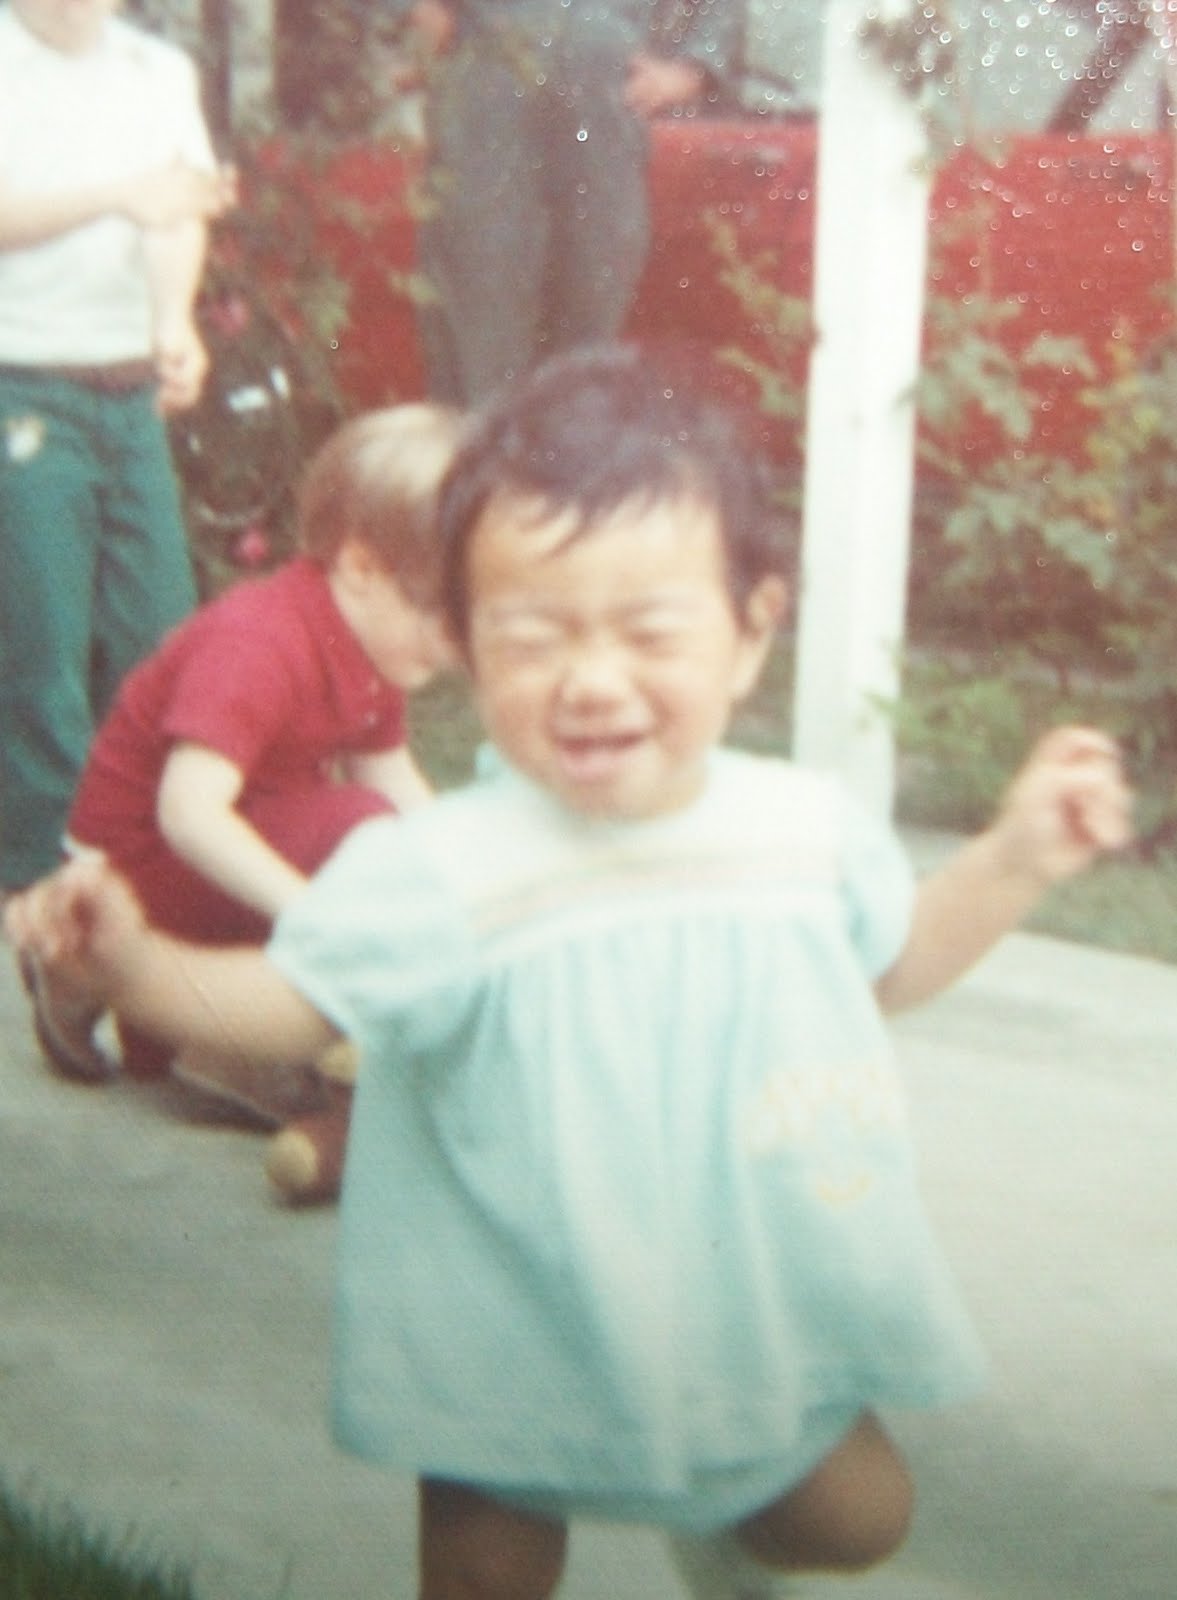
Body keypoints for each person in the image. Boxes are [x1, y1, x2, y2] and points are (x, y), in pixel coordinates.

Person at [4, 346, 1133, 1599]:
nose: (592, 680)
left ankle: (712, 1508)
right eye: (533, 634)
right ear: (465, 646)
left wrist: (1013, 859)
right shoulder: (439, 869)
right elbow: (279, 1005)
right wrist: (135, 964)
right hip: (506, 1313)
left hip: (735, 1294)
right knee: (487, 1574)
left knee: (856, 1516)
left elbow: (890, 963)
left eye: (650, 630)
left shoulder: (800, 833)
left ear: (750, 634)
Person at [19, 403, 460, 1198]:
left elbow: (394, 776)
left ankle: (181, 1030)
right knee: (358, 829)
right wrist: (314, 917)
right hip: (138, 867)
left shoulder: (366, 641)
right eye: (438, 609)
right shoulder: (261, 640)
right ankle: (166, 1001)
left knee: (386, 839)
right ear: (361, 566)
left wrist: (471, 887)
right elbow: (187, 812)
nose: (453, 642)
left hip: (210, 859)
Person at [0, 0, 237, 896]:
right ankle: (40, 891)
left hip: (128, 392)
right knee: (40, 656)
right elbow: (133, 197)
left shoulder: (156, 71)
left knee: (158, 639)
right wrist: (111, 195)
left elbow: (176, 214)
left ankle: (141, 867)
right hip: (20, 383)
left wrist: (174, 324)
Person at [385, 0, 743, 402]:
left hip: (601, 117)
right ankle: (481, 439)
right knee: (480, 323)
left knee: (585, 340)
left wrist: (692, 71)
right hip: (487, 107)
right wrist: (412, 9)